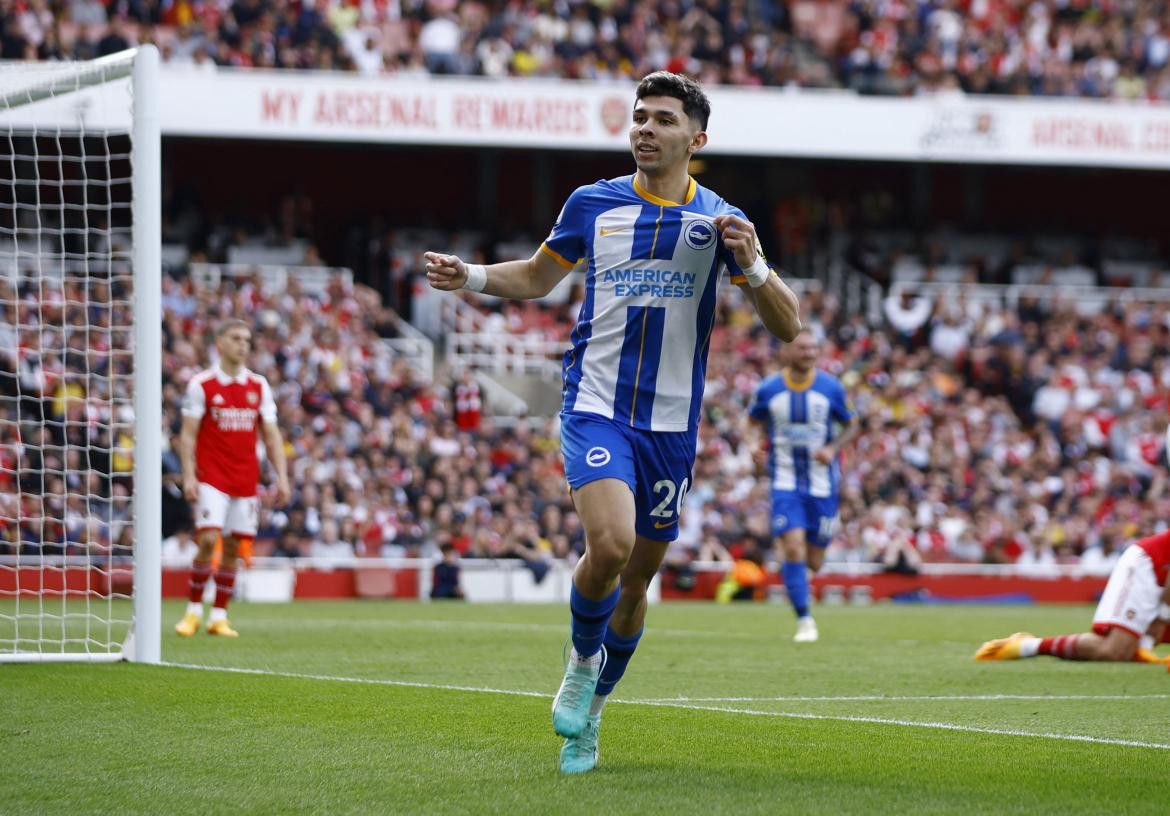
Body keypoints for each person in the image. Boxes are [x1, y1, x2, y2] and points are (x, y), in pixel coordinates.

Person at [423, 71, 801, 774]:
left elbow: (788, 324)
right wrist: (470, 276)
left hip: (670, 426)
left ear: (698, 138)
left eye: (662, 119)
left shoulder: (720, 221)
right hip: (596, 405)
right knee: (610, 542)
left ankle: (593, 713)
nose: (645, 130)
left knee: (637, 581)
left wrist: (750, 266)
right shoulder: (592, 203)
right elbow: (539, 278)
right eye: (638, 118)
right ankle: (580, 659)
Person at [174, 319, 290, 638]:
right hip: (212, 476)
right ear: (220, 343)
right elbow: (187, 436)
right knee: (209, 539)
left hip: (245, 478)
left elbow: (271, 435)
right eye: (236, 338)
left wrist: (282, 477)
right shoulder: (202, 384)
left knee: (233, 547)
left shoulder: (258, 386)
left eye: (247, 340)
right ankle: (193, 611)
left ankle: (219, 616)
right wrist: (188, 476)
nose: (243, 344)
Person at [748, 329, 859, 642]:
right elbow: (750, 422)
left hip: (823, 485)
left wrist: (833, 448)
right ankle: (805, 620)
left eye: (813, 347)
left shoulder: (831, 388)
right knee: (792, 546)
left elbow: (852, 424)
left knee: (814, 560)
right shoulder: (769, 389)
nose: (809, 352)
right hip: (784, 481)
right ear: (787, 352)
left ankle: (800, 583)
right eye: (803, 347)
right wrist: (752, 446)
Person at [975, 528, 1170, 664]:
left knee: (1125, 652)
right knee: (1112, 651)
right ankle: (1025, 646)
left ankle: (1138, 648)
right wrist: (1162, 617)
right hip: (1149, 565)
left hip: (1160, 570)